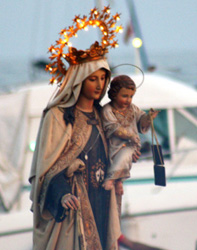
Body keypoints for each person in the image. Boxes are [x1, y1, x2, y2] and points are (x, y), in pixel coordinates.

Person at [29, 7, 124, 250]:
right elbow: (46, 171)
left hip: (101, 197)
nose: (99, 85)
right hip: (73, 204)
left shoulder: (104, 116)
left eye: (103, 79)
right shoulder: (57, 116)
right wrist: (62, 194)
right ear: (79, 80)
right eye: (93, 79)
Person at [101, 75, 159, 193]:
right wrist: (129, 135)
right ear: (114, 94)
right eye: (124, 96)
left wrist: (148, 118)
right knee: (120, 158)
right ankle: (118, 181)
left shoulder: (132, 109)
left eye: (131, 97)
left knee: (126, 154)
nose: (128, 100)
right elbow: (112, 127)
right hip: (114, 145)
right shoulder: (108, 110)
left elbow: (141, 119)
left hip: (131, 144)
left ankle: (113, 178)